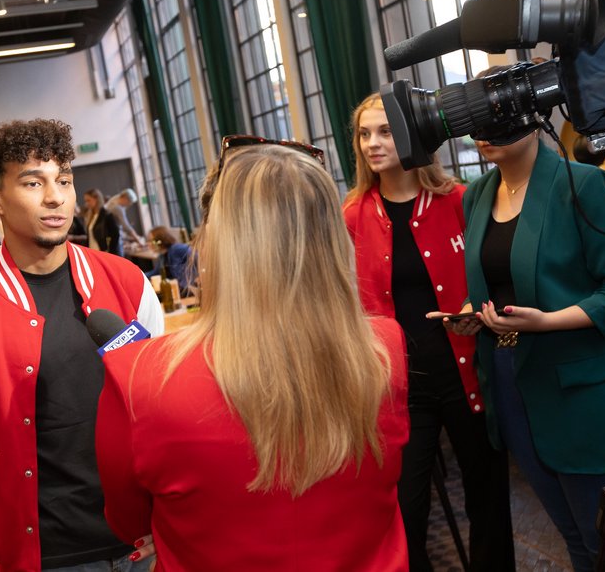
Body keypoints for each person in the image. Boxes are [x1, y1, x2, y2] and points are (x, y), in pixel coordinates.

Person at [96, 144, 409, 571]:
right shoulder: (384, 349)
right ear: (333, 239)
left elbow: (126, 519)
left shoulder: (139, 379)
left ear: (216, 242)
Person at [0, 118, 163, 572]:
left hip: (144, 535)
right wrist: (1, 481)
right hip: (48, 552)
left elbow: (158, 396)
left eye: (64, 180)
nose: (55, 196)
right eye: (33, 182)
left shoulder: (125, 282)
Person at [441, 126, 605, 572]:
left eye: (495, 118)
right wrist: (469, 311)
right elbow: (497, 282)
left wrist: (547, 321)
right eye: (473, 122)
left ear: (534, 120)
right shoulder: (477, 194)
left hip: (581, 387)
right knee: (575, 539)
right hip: (511, 379)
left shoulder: (583, 183)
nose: (482, 132)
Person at [343, 93, 514, 572]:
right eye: (364, 133)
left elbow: (495, 275)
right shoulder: (352, 215)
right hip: (398, 387)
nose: (372, 144)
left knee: (488, 503)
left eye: (386, 132)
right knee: (405, 510)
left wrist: (475, 309)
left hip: (467, 375)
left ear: (414, 137)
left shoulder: (461, 200)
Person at [143, 226, 194, 294]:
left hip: (188, 289)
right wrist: (139, 275)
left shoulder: (175, 249)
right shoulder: (162, 256)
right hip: (180, 289)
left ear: (160, 241)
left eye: (150, 241)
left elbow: (180, 279)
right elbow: (156, 272)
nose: (148, 244)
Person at [82, 188, 122, 256]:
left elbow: (115, 235)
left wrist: (109, 252)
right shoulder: (91, 216)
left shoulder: (107, 215)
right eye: (85, 201)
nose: (87, 203)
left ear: (96, 199)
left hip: (104, 254)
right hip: (93, 254)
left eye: (89, 200)